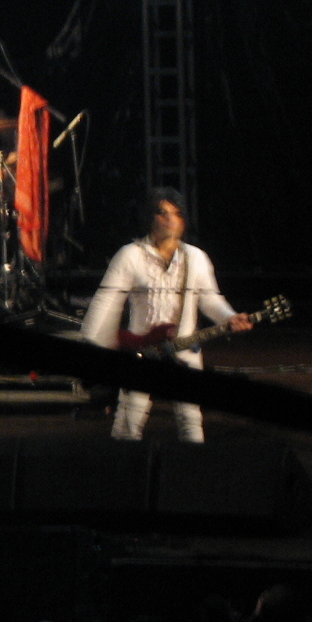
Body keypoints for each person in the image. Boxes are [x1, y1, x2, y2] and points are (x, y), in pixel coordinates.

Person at [80, 188, 251, 442]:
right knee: (128, 423)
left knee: (191, 422)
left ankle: (192, 476)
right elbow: (107, 301)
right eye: (162, 213)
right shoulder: (130, 255)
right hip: (142, 351)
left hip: (184, 349)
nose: (170, 219)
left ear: (184, 220)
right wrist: (95, 346)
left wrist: (229, 317)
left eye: (176, 213)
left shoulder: (196, 258)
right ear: (150, 217)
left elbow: (210, 298)